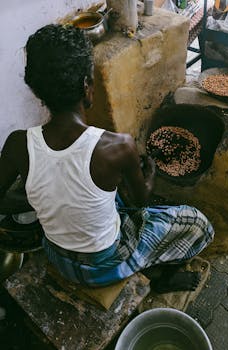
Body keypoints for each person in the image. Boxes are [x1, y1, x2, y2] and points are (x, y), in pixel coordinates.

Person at [0, 24, 214, 293]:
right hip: (105, 265)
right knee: (196, 222)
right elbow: (140, 202)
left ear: (36, 91)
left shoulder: (18, 145)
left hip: (59, 257)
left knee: (108, 197)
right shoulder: (116, 147)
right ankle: (161, 278)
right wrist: (150, 174)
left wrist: (45, 197)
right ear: (87, 86)